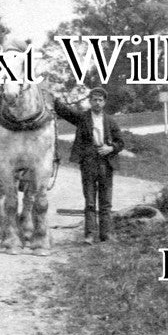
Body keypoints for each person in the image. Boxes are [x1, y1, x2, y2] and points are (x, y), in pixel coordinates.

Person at [53, 87, 125, 243]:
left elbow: (121, 142)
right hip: (89, 162)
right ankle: (90, 234)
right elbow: (65, 112)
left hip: (106, 163)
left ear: (104, 102)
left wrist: (110, 148)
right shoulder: (82, 118)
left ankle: (106, 235)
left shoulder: (110, 121)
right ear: (90, 101)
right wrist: (53, 99)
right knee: (90, 201)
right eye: (94, 100)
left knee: (106, 202)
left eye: (100, 100)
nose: (97, 103)